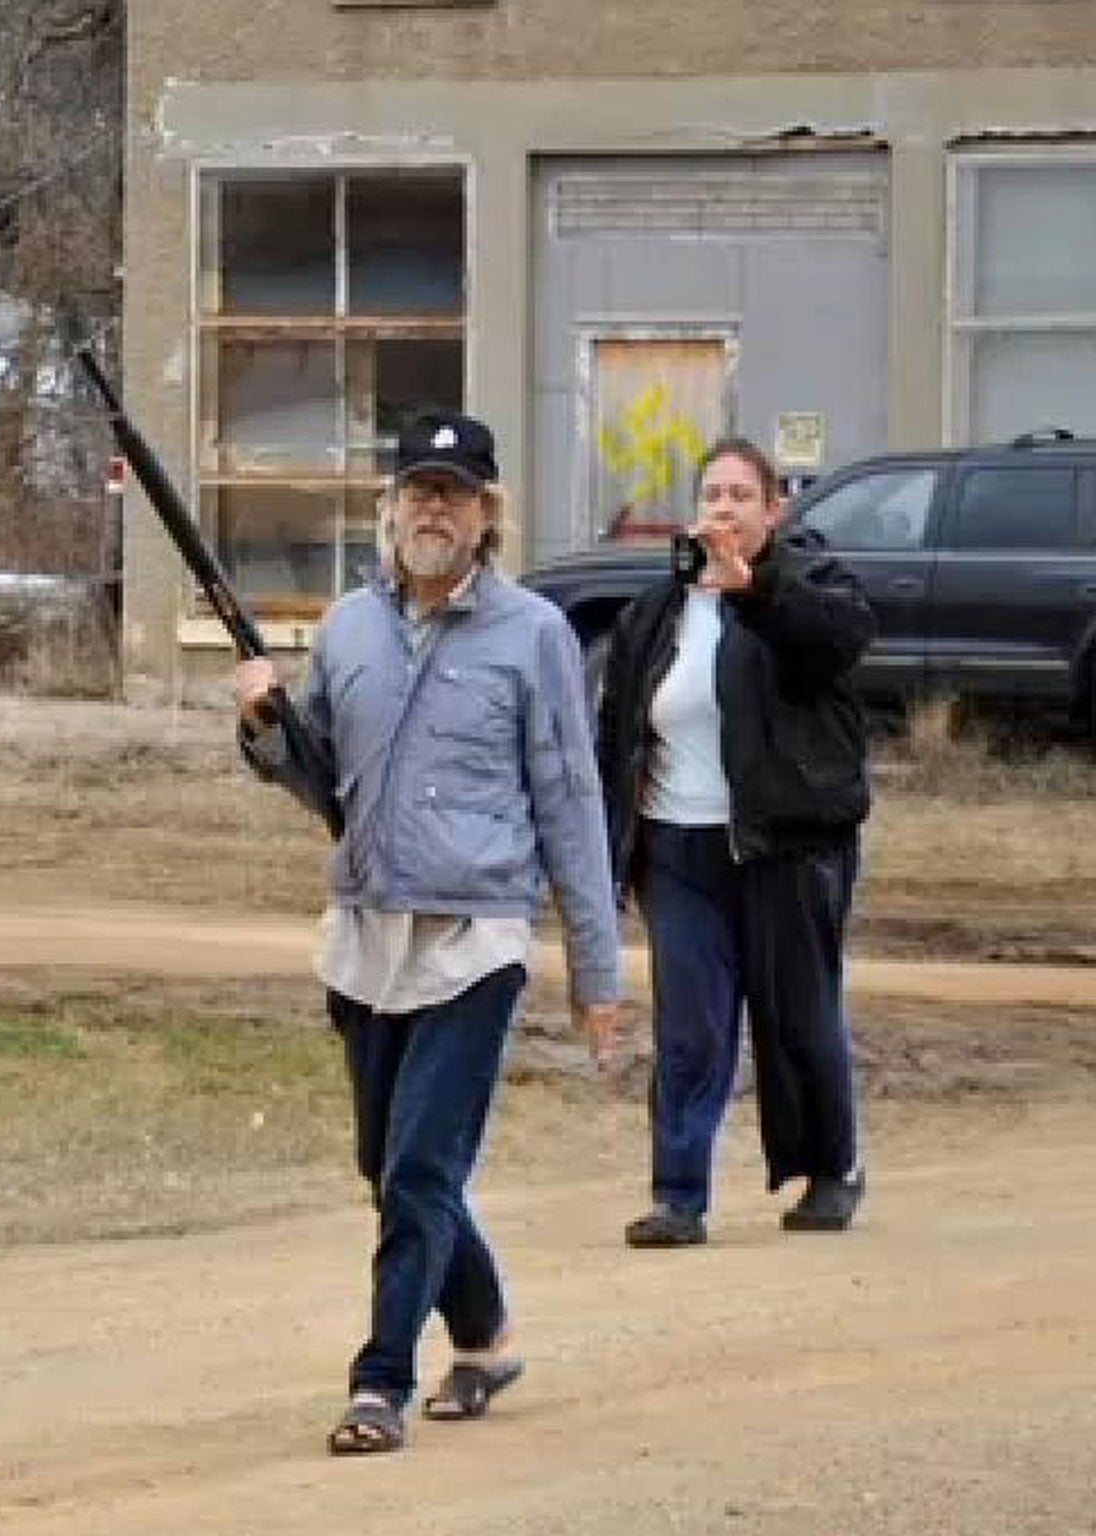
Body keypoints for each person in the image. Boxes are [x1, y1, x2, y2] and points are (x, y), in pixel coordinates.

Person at [236, 410, 622, 1457]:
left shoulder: (532, 633)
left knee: (416, 1173)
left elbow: (569, 803)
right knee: (391, 1163)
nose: (432, 510)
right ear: (389, 508)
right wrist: (264, 726)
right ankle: (486, 1334)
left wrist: (596, 973)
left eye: (452, 494)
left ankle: (377, 1384)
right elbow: (316, 781)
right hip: (364, 929)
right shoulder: (347, 628)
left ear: (485, 513)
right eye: (417, 491)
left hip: (474, 941)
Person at [596, 437, 874, 1249]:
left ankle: (831, 1168)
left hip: (785, 846)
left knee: (799, 1015)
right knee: (691, 1027)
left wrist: (757, 590)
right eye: (712, 495)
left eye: (741, 496)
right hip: (679, 850)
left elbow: (835, 643)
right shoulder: (657, 613)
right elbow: (618, 729)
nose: (723, 509)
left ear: (774, 511)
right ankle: (679, 1195)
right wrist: (620, 836)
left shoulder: (811, 588)